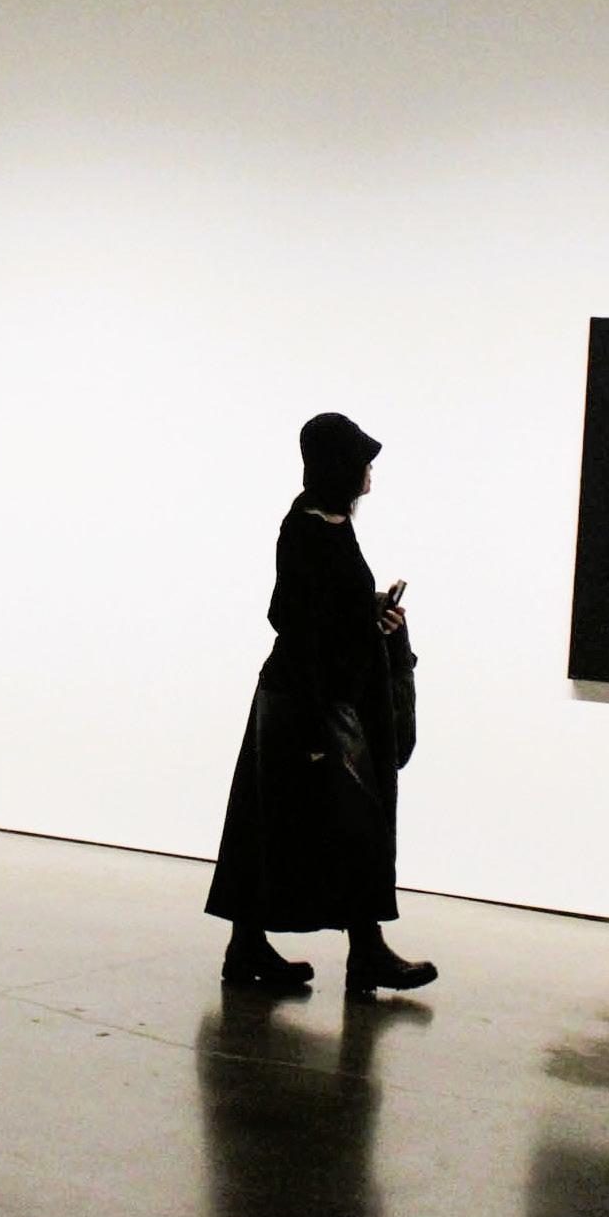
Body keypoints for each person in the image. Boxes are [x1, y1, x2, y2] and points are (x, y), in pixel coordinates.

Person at [205, 412, 437, 995]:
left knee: (286, 823)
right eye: (362, 464)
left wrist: (371, 614)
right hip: (305, 704)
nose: (369, 475)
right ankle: (360, 952)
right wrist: (313, 730)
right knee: (331, 825)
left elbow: (329, 611)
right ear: (339, 467)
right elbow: (291, 615)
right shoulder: (306, 529)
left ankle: (261, 947)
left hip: (317, 700)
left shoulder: (331, 522)